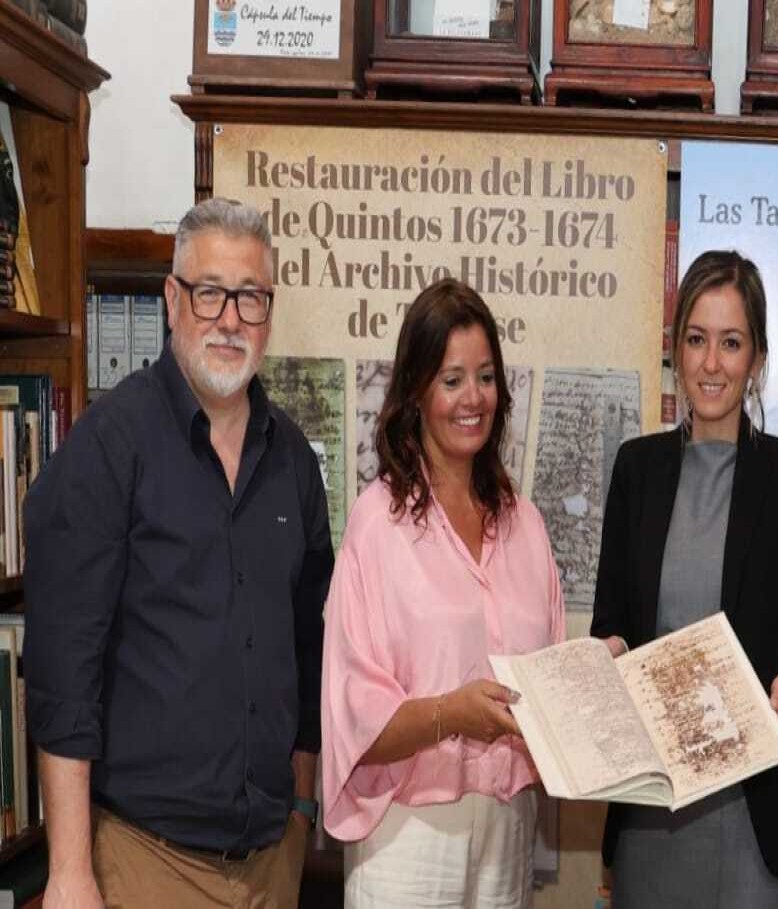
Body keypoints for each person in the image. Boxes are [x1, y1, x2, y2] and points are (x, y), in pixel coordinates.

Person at [24, 197, 332, 907]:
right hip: (143, 859)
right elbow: (62, 669)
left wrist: (301, 812)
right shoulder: (109, 445)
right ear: (172, 299)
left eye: (250, 297)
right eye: (210, 292)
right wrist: (71, 871)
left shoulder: (291, 457)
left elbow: (307, 645)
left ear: (269, 312)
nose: (230, 318)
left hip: (267, 862)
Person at [590, 250, 778, 908]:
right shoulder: (635, 471)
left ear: (756, 357)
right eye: (696, 340)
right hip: (649, 808)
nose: (711, 362)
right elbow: (609, 624)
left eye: (731, 343)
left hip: (746, 815)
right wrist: (605, 655)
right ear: (675, 349)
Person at [321, 278, 565, 908]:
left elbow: (548, 690)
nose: (472, 398)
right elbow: (355, 721)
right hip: (409, 840)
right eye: (452, 379)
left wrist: (595, 680)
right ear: (416, 391)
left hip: (509, 831)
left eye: (485, 377)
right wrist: (451, 714)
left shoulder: (527, 525)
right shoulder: (378, 524)